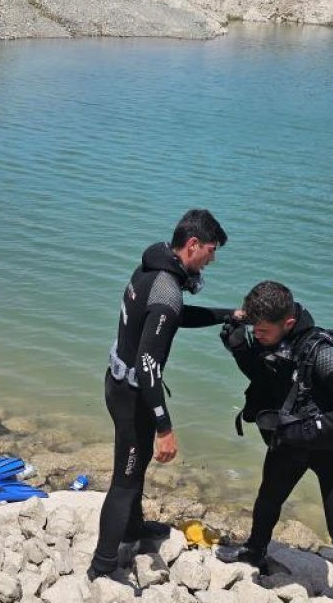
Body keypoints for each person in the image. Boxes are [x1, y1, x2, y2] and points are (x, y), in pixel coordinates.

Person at [89, 209, 238, 579]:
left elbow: (175, 316)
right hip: (133, 393)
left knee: (135, 464)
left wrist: (228, 314)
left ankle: (133, 530)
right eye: (211, 251)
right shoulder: (168, 290)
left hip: (117, 381)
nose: (212, 259)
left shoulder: (152, 266)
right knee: (125, 480)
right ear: (193, 245)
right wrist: (164, 427)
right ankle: (101, 568)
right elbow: (147, 364)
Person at [214, 281, 333, 603]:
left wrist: (308, 430)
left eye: (263, 331)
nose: (258, 334)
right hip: (291, 442)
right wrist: (240, 349)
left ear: (288, 323)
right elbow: (264, 378)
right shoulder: (271, 338)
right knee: (267, 500)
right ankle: (254, 552)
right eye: (254, 328)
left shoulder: (325, 355)